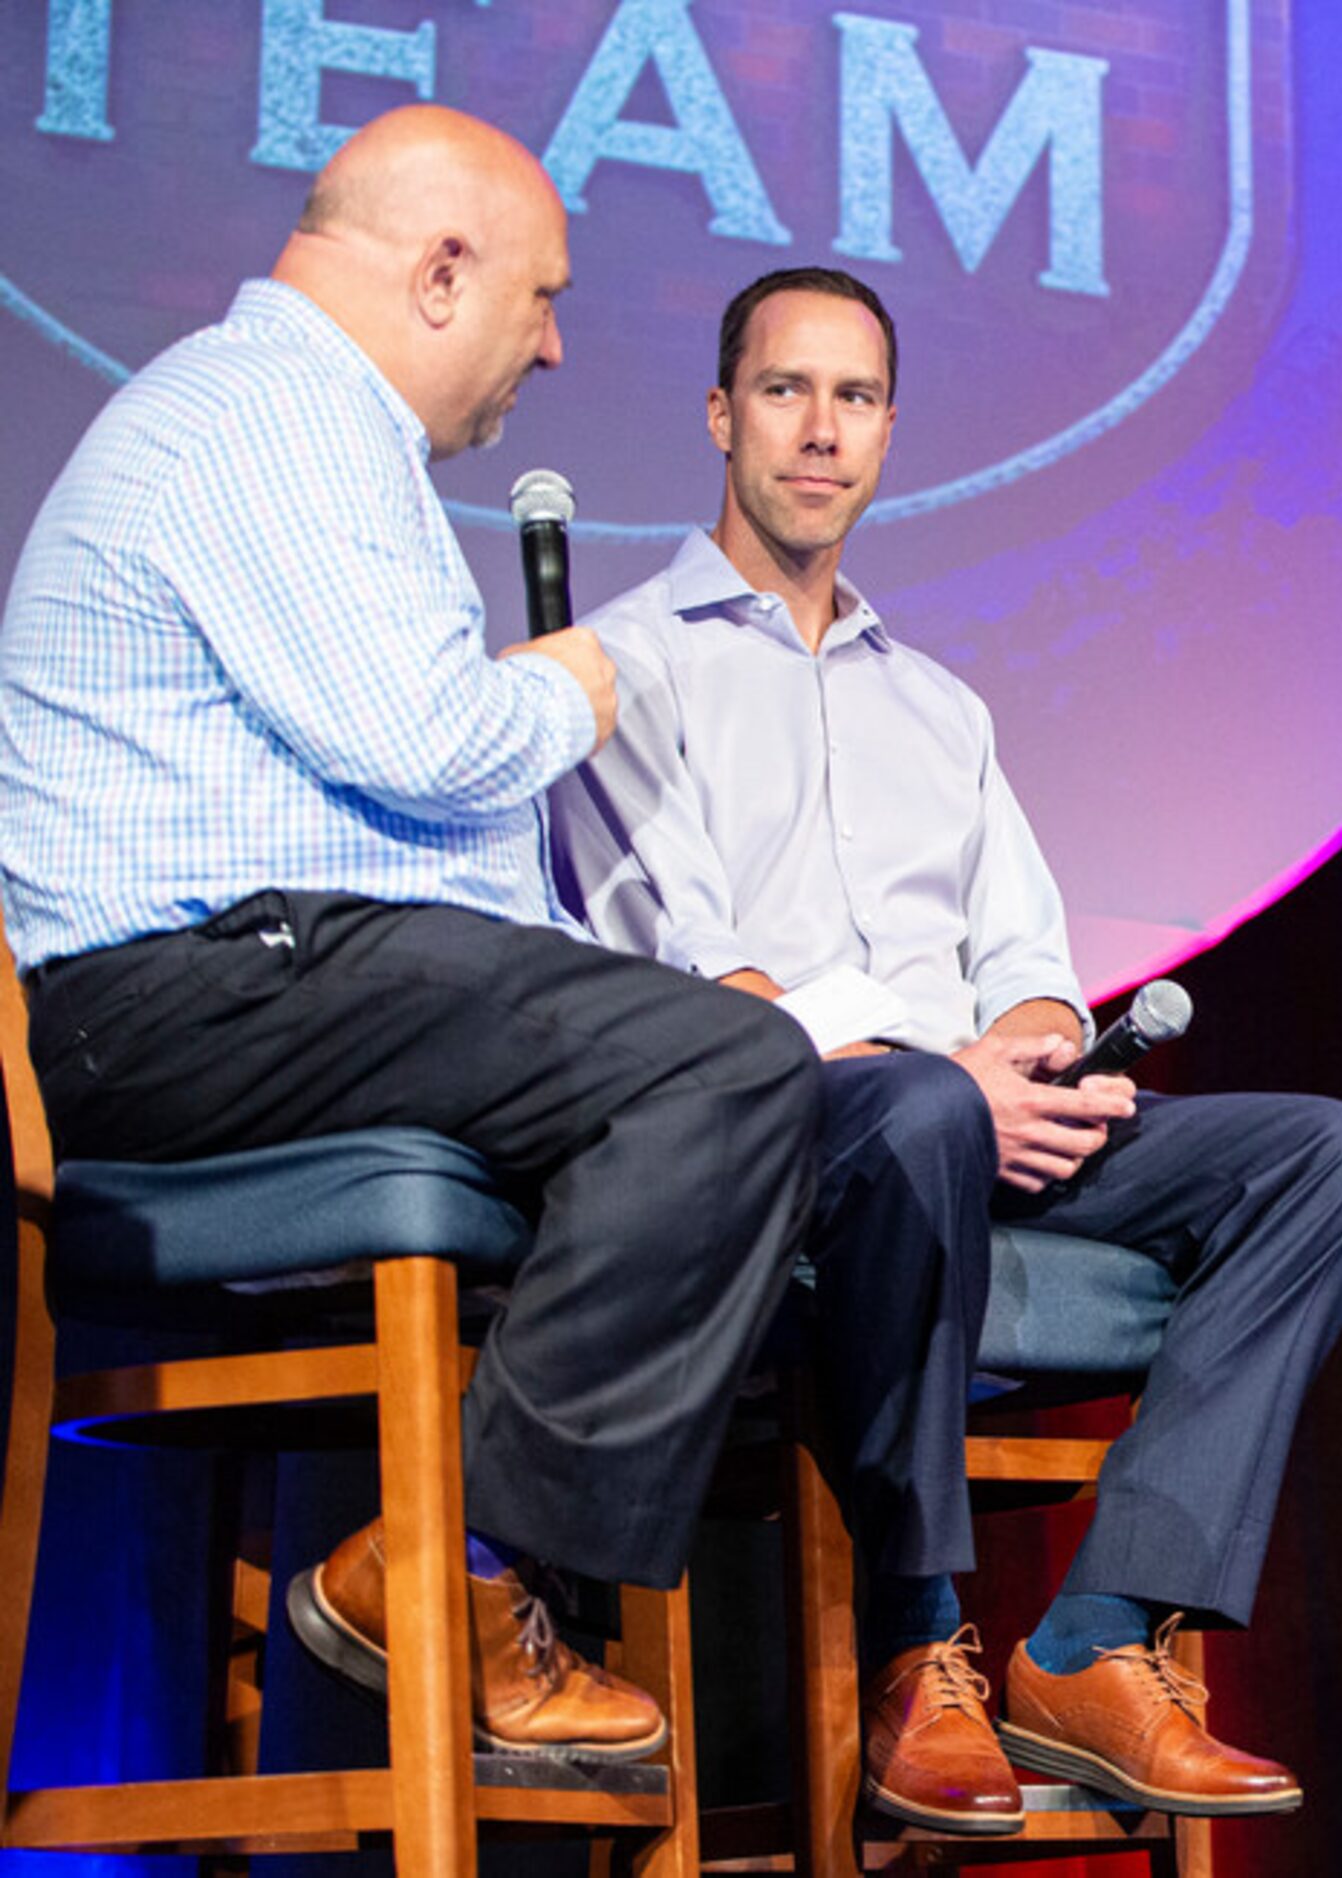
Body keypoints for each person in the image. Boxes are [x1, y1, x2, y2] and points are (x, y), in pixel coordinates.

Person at [0, 106, 820, 1759]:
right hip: (182, 995)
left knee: (741, 1115)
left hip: (277, 977)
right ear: (444, 272)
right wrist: (583, 678)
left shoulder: (309, 425)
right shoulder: (275, 412)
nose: (559, 344)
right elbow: (434, 740)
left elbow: (438, 858)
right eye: (542, 298)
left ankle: (478, 1595)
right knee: (725, 1077)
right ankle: (460, 1565)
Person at [547, 267, 1342, 1834]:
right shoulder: (620, 668)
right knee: (926, 1101)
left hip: (967, 1118)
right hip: (768, 1148)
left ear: (889, 432)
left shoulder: (939, 705)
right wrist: (950, 1071)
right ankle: (916, 1637)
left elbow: (1030, 963)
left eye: (856, 398)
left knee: (1333, 1158)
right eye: (789, 391)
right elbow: (700, 985)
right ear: (720, 414)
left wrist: (1025, 1047)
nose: (822, 431)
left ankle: (1093, 1634)